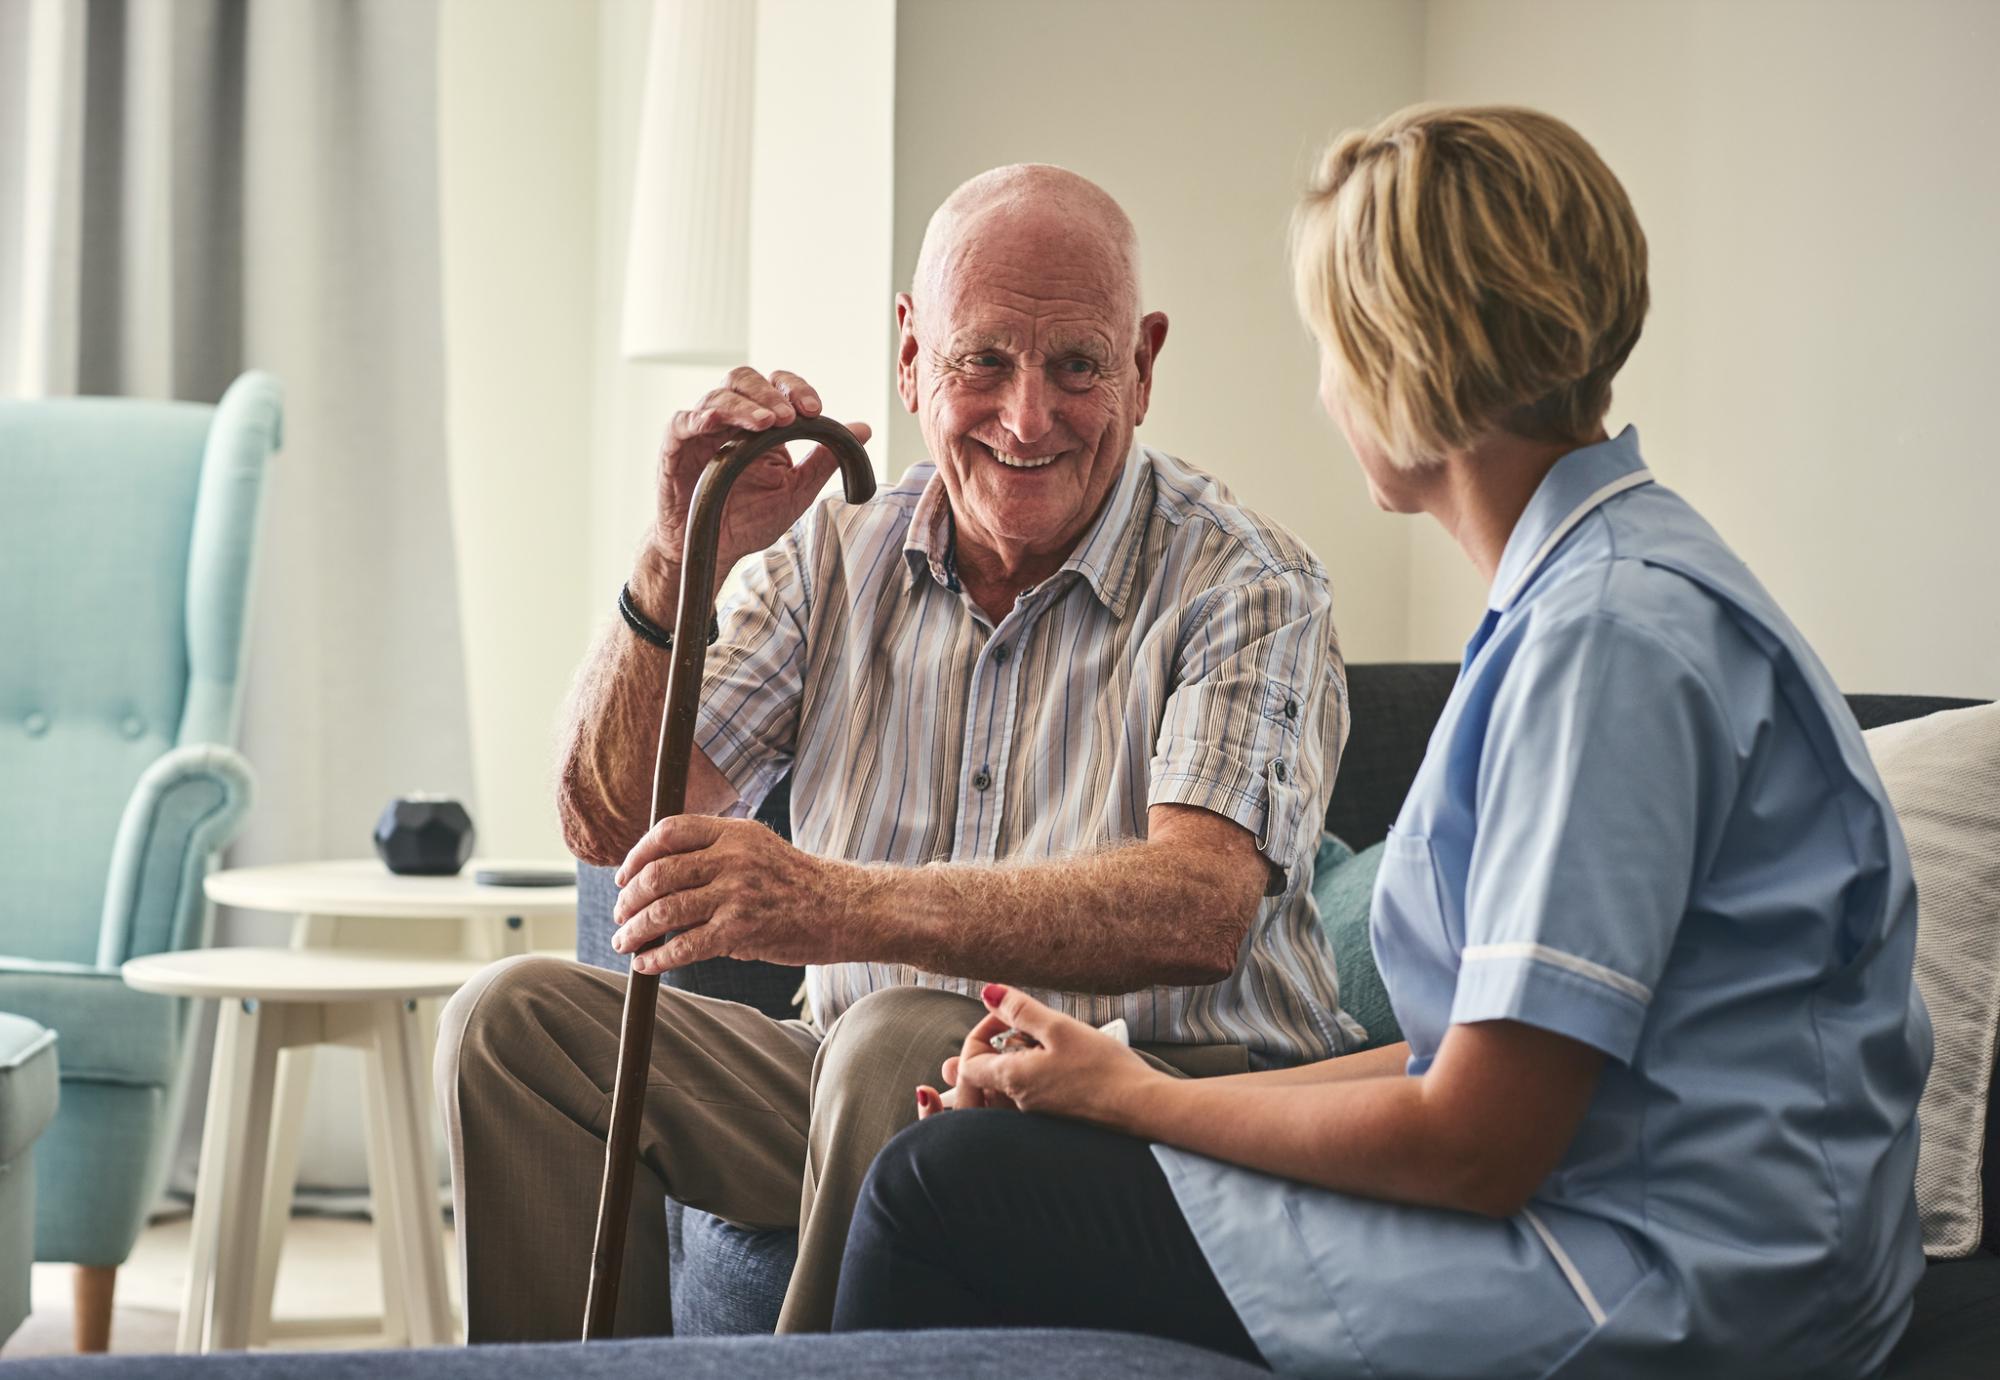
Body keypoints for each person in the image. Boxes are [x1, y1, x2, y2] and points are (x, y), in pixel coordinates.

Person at [833, 106, 1932, 1377]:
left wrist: (1140, 1104)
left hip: (1660, 1281)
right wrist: (1111, 1089)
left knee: (944, 1189)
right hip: (1641, 1222)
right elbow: (1459, 1064)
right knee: (1009, 1147)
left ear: (1398, 357)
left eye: (1327, 342)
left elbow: (1475, 1144)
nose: (1321, 383)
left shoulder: (1607, 643)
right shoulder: (1601, 587)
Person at [434, 163, 1362, 1341]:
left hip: (1156, 1107)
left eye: (1076, 364)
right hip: (846, 1077)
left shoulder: (1245, 583)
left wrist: (837, 906)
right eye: (982, 360)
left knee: (891, 1035)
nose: (1027, 417)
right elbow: (608, 822)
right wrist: (676, 554)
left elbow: (1197, 909)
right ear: (912, 355)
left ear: (1142, 364)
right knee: (508, 1024)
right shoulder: (837, 557)